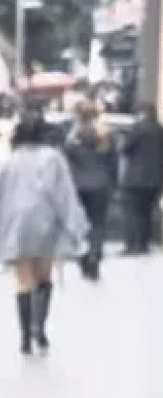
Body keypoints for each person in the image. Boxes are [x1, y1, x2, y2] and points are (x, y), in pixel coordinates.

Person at [0, 111, 89, 355]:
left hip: (15, 225)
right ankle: (38, 327)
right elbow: (63, 195)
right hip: (45, 223)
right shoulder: (52, 158)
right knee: (44, 276)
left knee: (23, 280)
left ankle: (24, 337)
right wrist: (76, 227)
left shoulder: (8, 162)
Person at [63, 101, 117, 280]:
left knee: (79, 223)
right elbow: (112, 161)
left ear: (78, 115)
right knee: (98, 223)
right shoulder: (105, 135)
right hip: (100, 184)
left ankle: (83, 256)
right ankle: (95, 255)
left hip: (77, 185)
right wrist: (112, 182)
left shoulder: (72, 136)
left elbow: (66, 158)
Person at [120, 101, 162, 255]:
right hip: (155, 179)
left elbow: (125, 149)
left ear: (142, 112)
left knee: (132, 213)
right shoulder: (159, 129)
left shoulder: (137, 128)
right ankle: (144, 244)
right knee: (147, 213)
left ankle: (132, 245)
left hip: (136, 179)